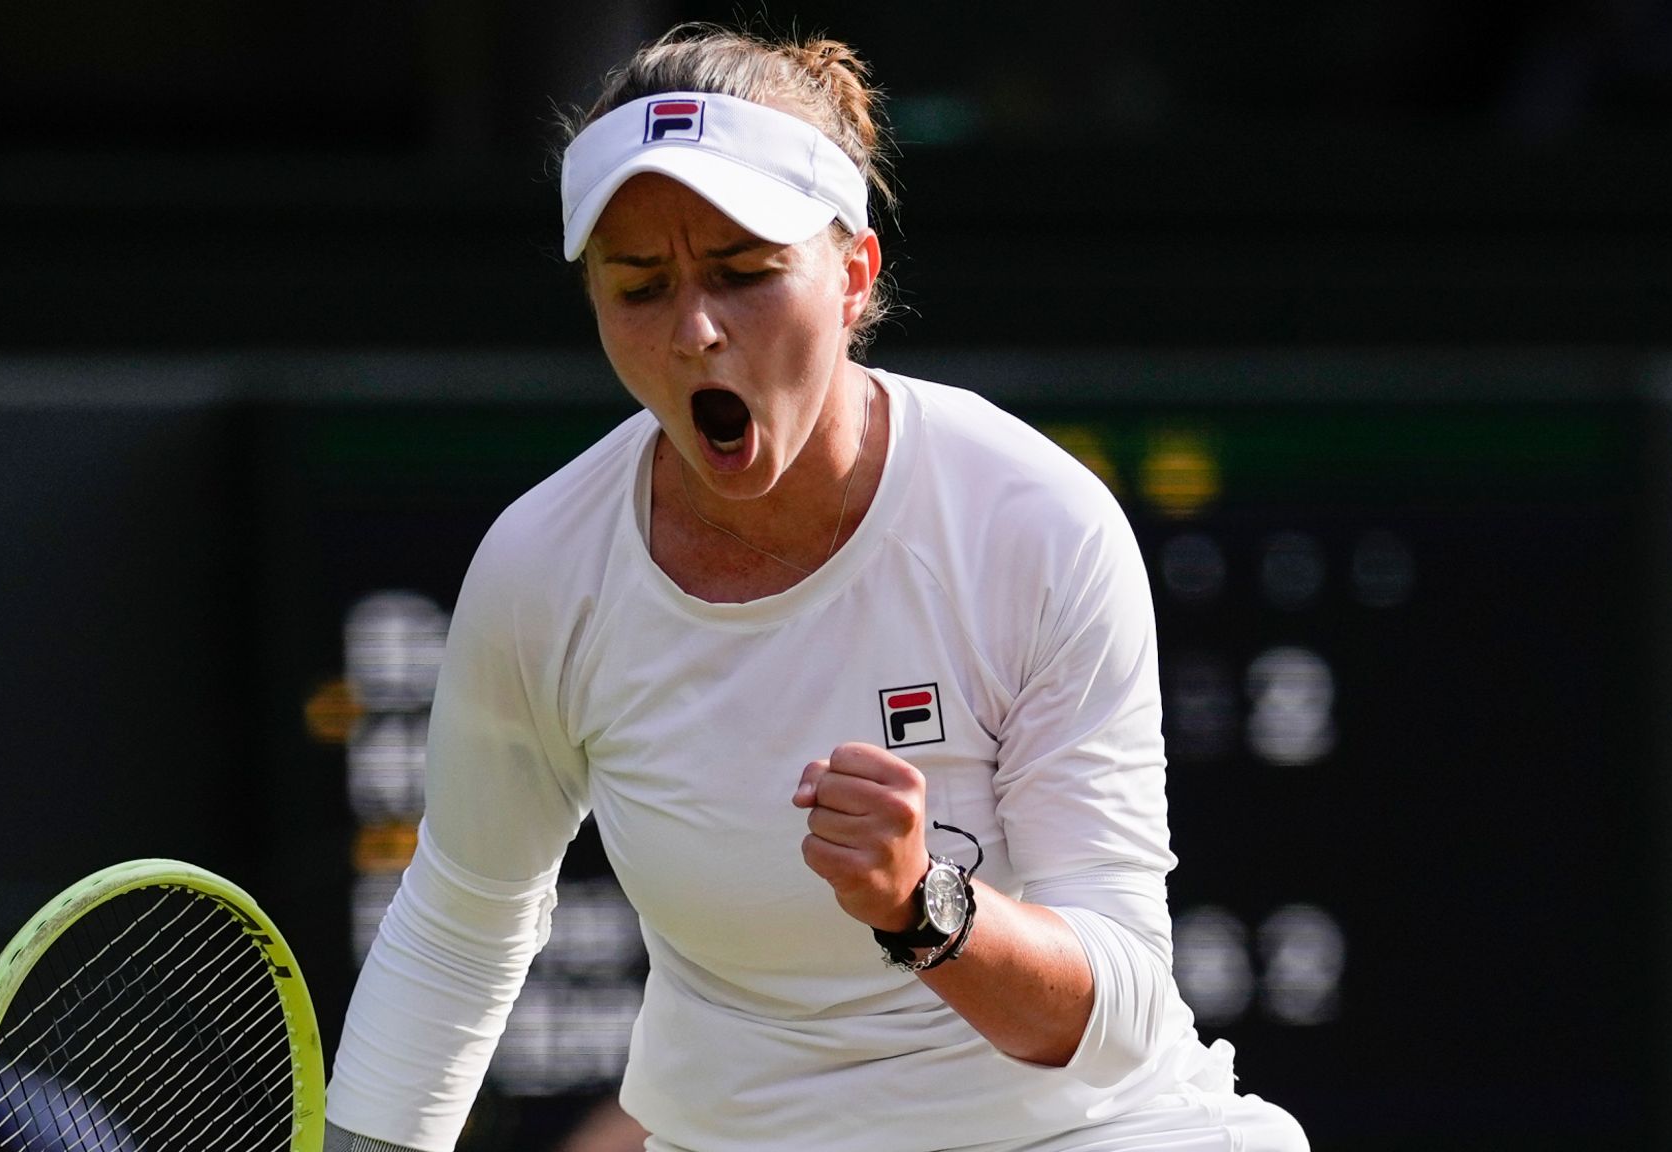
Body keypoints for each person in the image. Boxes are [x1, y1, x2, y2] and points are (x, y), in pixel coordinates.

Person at [324, 24, 1309, 1152]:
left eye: (744, 274)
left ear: (851, 278)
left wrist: (920, 907)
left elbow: (1120, 1017)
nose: (694, 329)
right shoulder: (541, 566)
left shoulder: (1032, 522)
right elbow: (459, 922)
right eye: (638, 286)